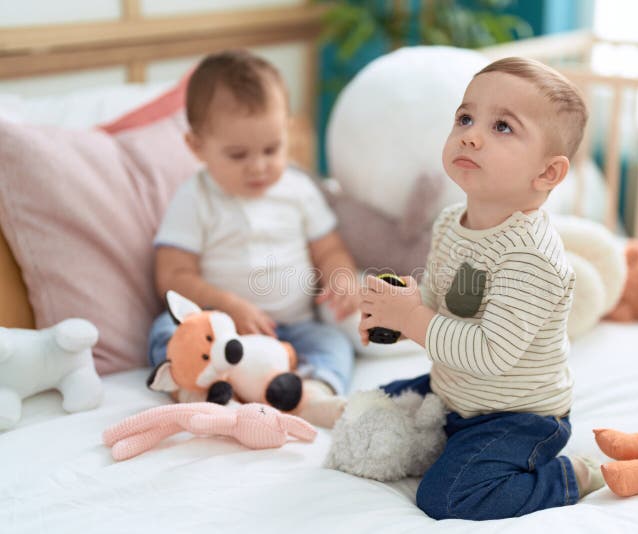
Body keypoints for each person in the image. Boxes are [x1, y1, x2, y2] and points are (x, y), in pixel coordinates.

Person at [358, 57, 604, 520]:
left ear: (548, 174)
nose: (471, 134)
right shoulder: (452, 222)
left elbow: (490, 353)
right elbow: (438, 303)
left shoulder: (530, 255)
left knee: (445, 498)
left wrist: (413, 319)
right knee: (371, 413)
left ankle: (572, 476)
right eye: (465, 118)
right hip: (453, 392)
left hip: (518, 417)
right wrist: (394, 310)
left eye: (503, 127)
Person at [148, 50, 358, 428]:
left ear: (286, 132)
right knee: (165, 328)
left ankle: (313, 394)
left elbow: (329, 249)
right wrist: (227, 306)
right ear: (197, 147)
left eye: (271, 149)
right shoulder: (195, 198)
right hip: (216, 336)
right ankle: (193, 388)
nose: (259, 166)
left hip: (292, 330)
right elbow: (172, 275)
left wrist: (341, 279)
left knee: (334, 344)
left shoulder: (298, 189)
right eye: (238, 154)